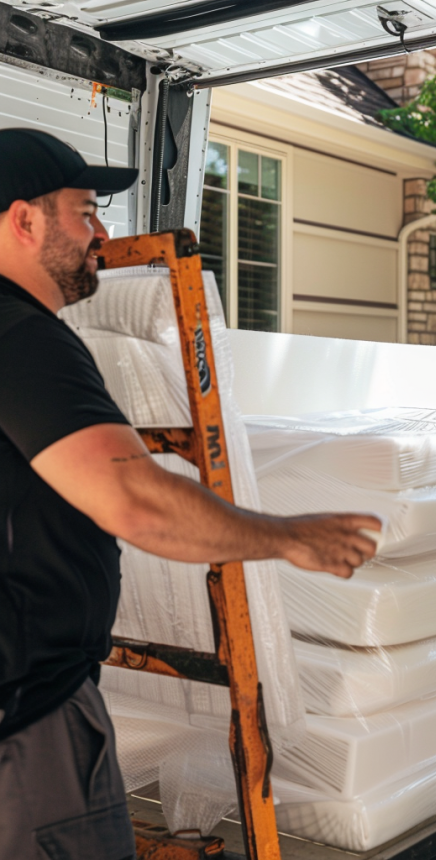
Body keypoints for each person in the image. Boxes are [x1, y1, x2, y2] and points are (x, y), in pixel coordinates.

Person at [0, 128, 381, 860]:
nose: (101, 233)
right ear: (24, 220)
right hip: (28, 727)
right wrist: (287, 536)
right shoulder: (22, 339)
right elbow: (134, 499)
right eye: (84, 212)